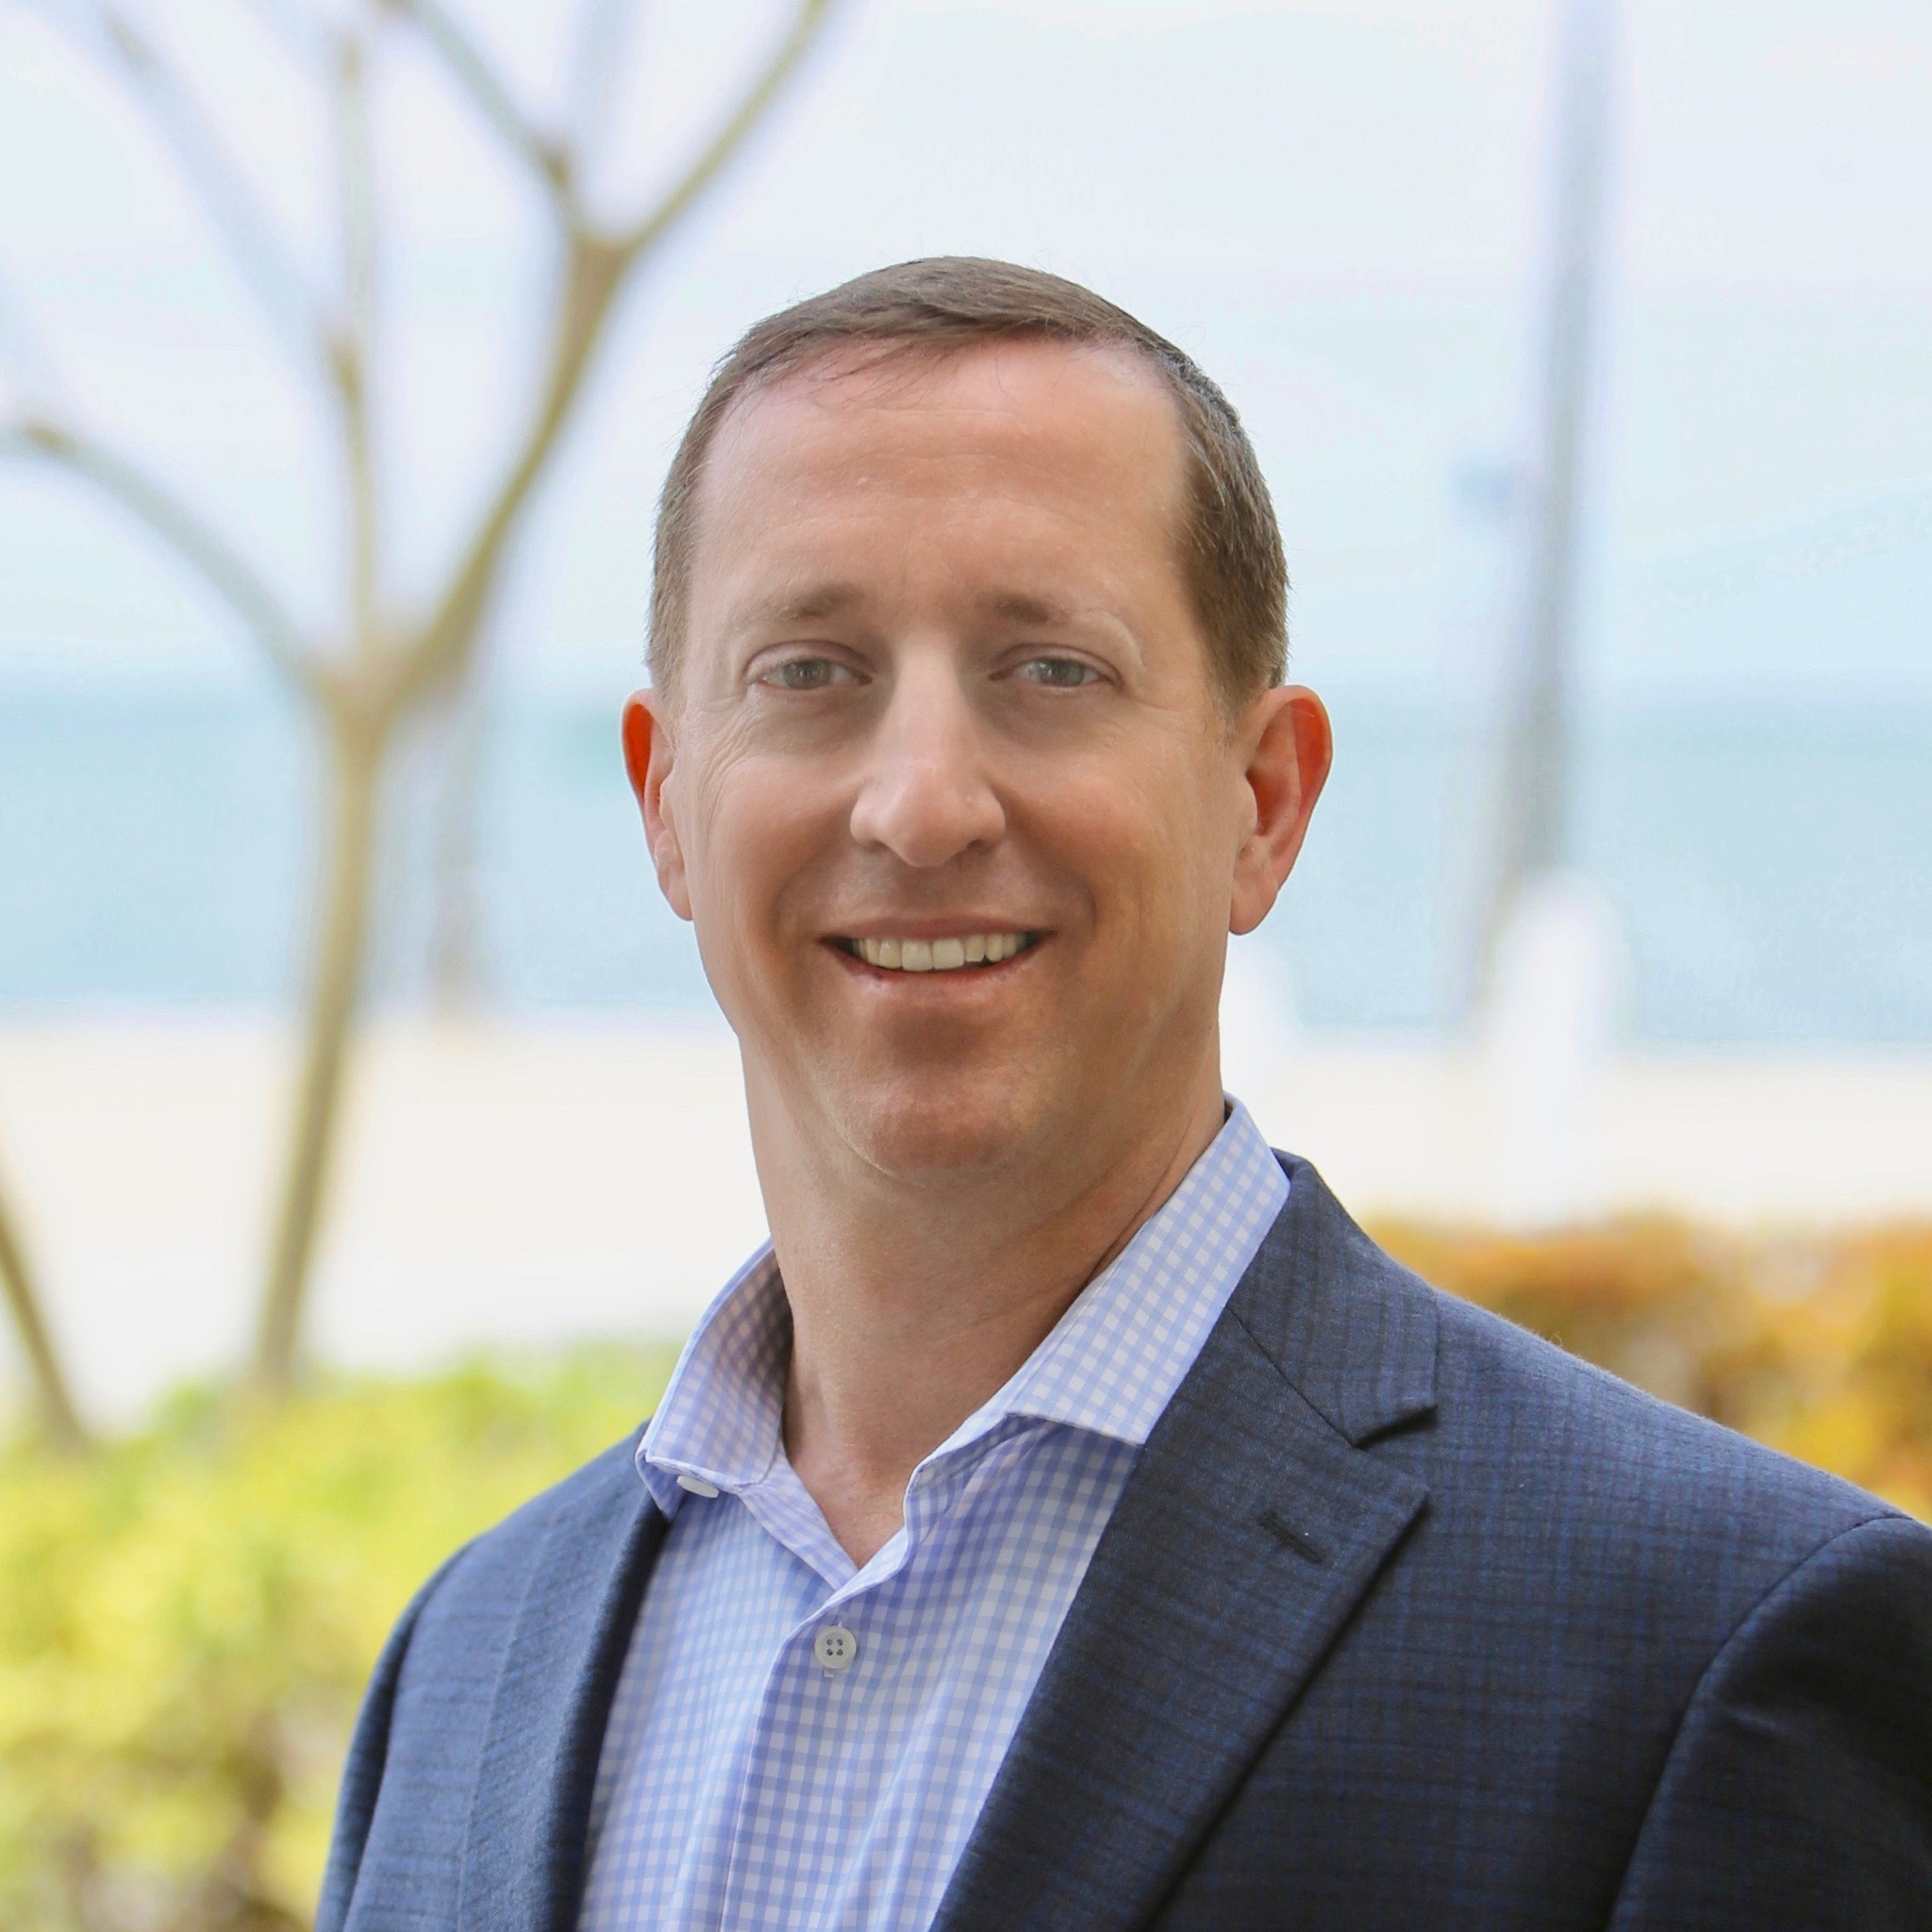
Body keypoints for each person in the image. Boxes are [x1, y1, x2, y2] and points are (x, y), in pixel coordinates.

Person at [318, 258, 1932, 1932]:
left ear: (1263, 802)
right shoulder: (466, 1667)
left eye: (1051, 670)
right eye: (808, 672)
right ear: (665, 804)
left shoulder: (1712, 1654)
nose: (922, 805)